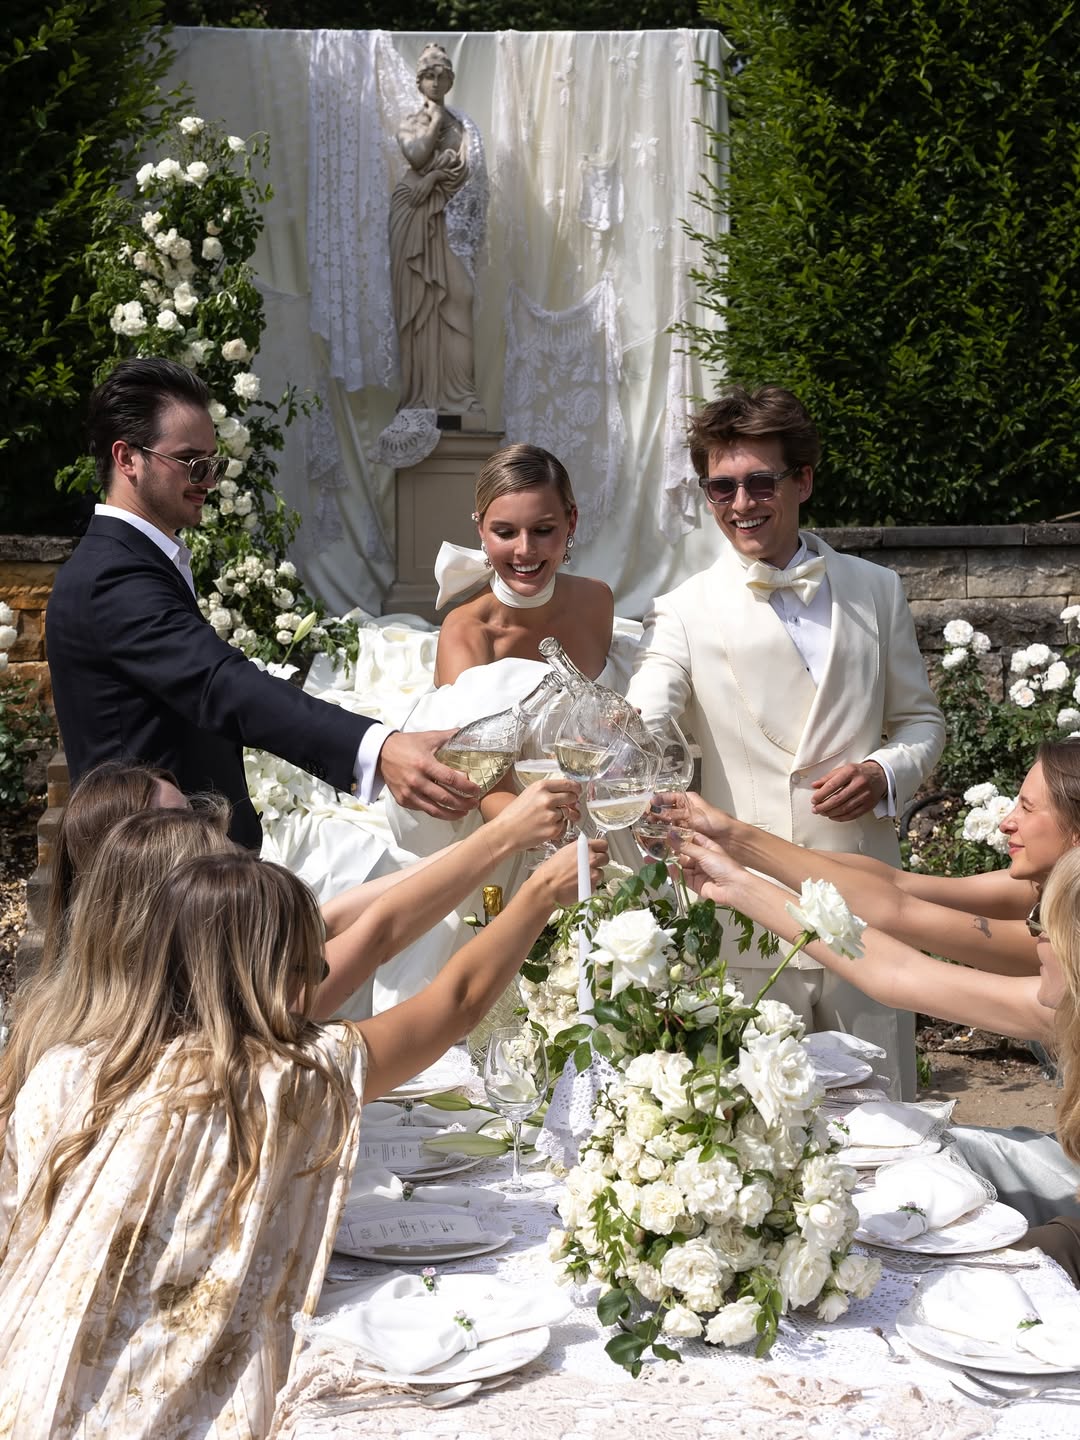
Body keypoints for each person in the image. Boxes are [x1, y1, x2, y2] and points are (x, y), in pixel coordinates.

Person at [0, 822, 604, 1437]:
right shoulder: (279, 1081)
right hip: (154, 1409)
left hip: (23, 1375)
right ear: (271, 973)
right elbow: (459, 1000)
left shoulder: (65, 1068)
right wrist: (539, 897)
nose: (317, 979)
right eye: (307, 965)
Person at [626, 384, 945, 1097]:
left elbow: (922, 721)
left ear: (802, 479)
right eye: (722, 488)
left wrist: (885, 770)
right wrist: (625, 738)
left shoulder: (876, 589)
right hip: (744, 920)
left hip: (865, 910)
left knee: (889, 1124)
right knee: (759, 1146)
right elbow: (651, 704)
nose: (741, 504)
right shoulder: (681, 610)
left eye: (759, 482)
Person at [45, 357, 479, 851]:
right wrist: (377, 749)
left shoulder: (136, 557)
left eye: (216, 463)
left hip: (186, 858)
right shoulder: (111, 574)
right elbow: (218, 684)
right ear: (127, 459)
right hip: (151, 872)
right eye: (193, 462)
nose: (209, 479)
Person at [673, 827, 1080, 1246]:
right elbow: (897, 970)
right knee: (922, 1158)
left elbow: (899, 943)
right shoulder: (1066, 999)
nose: (1034, 939)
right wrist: (738, 884)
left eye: (1042, 922)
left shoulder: (1060, 1002)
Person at [378, 443, 634, 1007]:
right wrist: (553, 839)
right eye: (505, 532)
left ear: (571, 521)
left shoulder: (597, 601)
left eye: (543, 530)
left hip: (607, 823)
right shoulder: (467, 631)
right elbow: (472, 779)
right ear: (480, 529)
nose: (525, 551)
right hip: (507, 838)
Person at [658, 736, 1080, 983]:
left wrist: (739, 874)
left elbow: (897, 928)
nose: (1006, 822)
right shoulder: (1038, 886)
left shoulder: (1068, 941)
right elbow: (896, 885)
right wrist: (734, 838)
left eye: (1026, 808)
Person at [390, 42, 484, 415]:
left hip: (450, 215)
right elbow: (416, 156)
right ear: (419, 81)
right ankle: (421, 397)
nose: (435, 81)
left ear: (449, 80)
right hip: (412, 212)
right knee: (419, 309)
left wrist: (439, 177)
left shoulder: (465, 126)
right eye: (429, 75)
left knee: (458, 298)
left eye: (442, 76)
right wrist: (438, 120)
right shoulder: (412, 121)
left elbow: (471, 173)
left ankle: (461, 396)